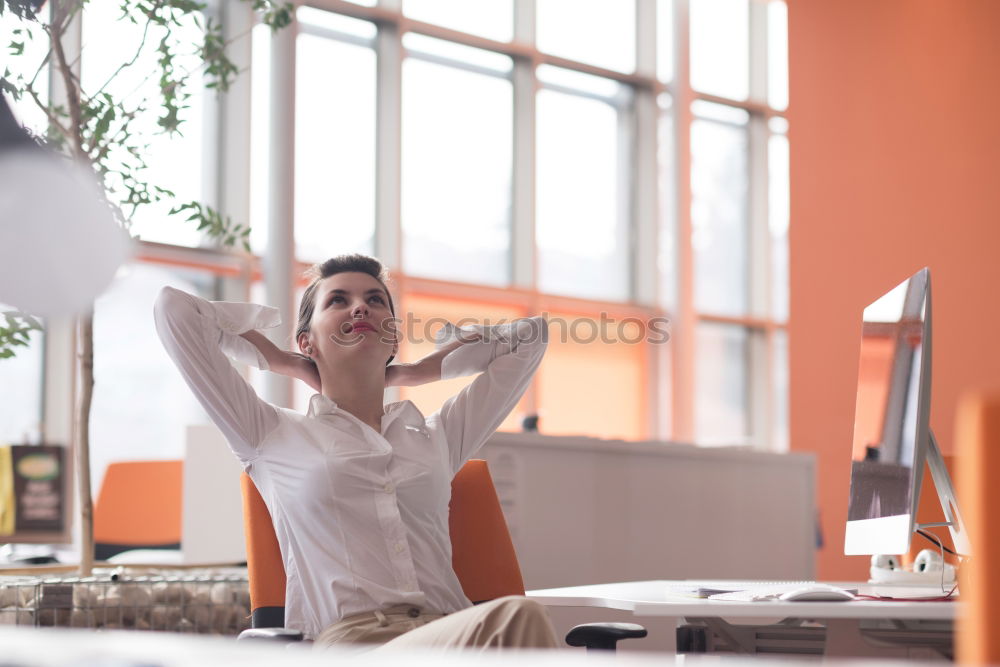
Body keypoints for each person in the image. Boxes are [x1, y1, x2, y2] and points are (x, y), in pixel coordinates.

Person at [153, 254, 557, 650]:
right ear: (306, 341)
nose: (360, 306)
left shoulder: (436, 436)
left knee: (517, 622)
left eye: (375, 299)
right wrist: (281, 361)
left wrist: (422, 371)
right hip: (355, 644)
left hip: (453, 634)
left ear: (394, 339)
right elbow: (176, 309)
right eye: (338, 300)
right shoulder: (268, 434)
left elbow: (531, 336)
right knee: (519, 618)